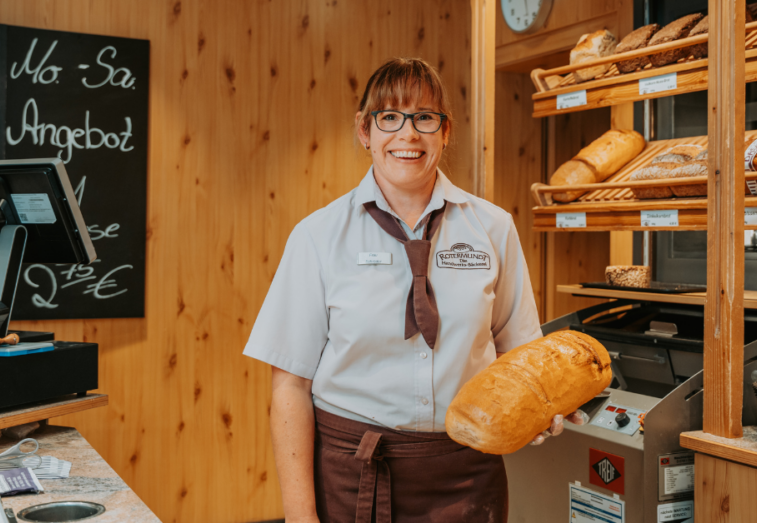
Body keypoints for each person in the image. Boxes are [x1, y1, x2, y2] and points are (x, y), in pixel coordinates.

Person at [244, 57, 579, 523]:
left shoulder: (493, 228)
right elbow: (290, 386)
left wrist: (543, 407)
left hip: (468, 473)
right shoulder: (317, 236)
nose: (408, 134)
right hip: (354, 473)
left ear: (445, 131)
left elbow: (521, 354)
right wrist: (301, 518)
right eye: (389, 118)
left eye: (424, 117)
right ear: (365, 132)